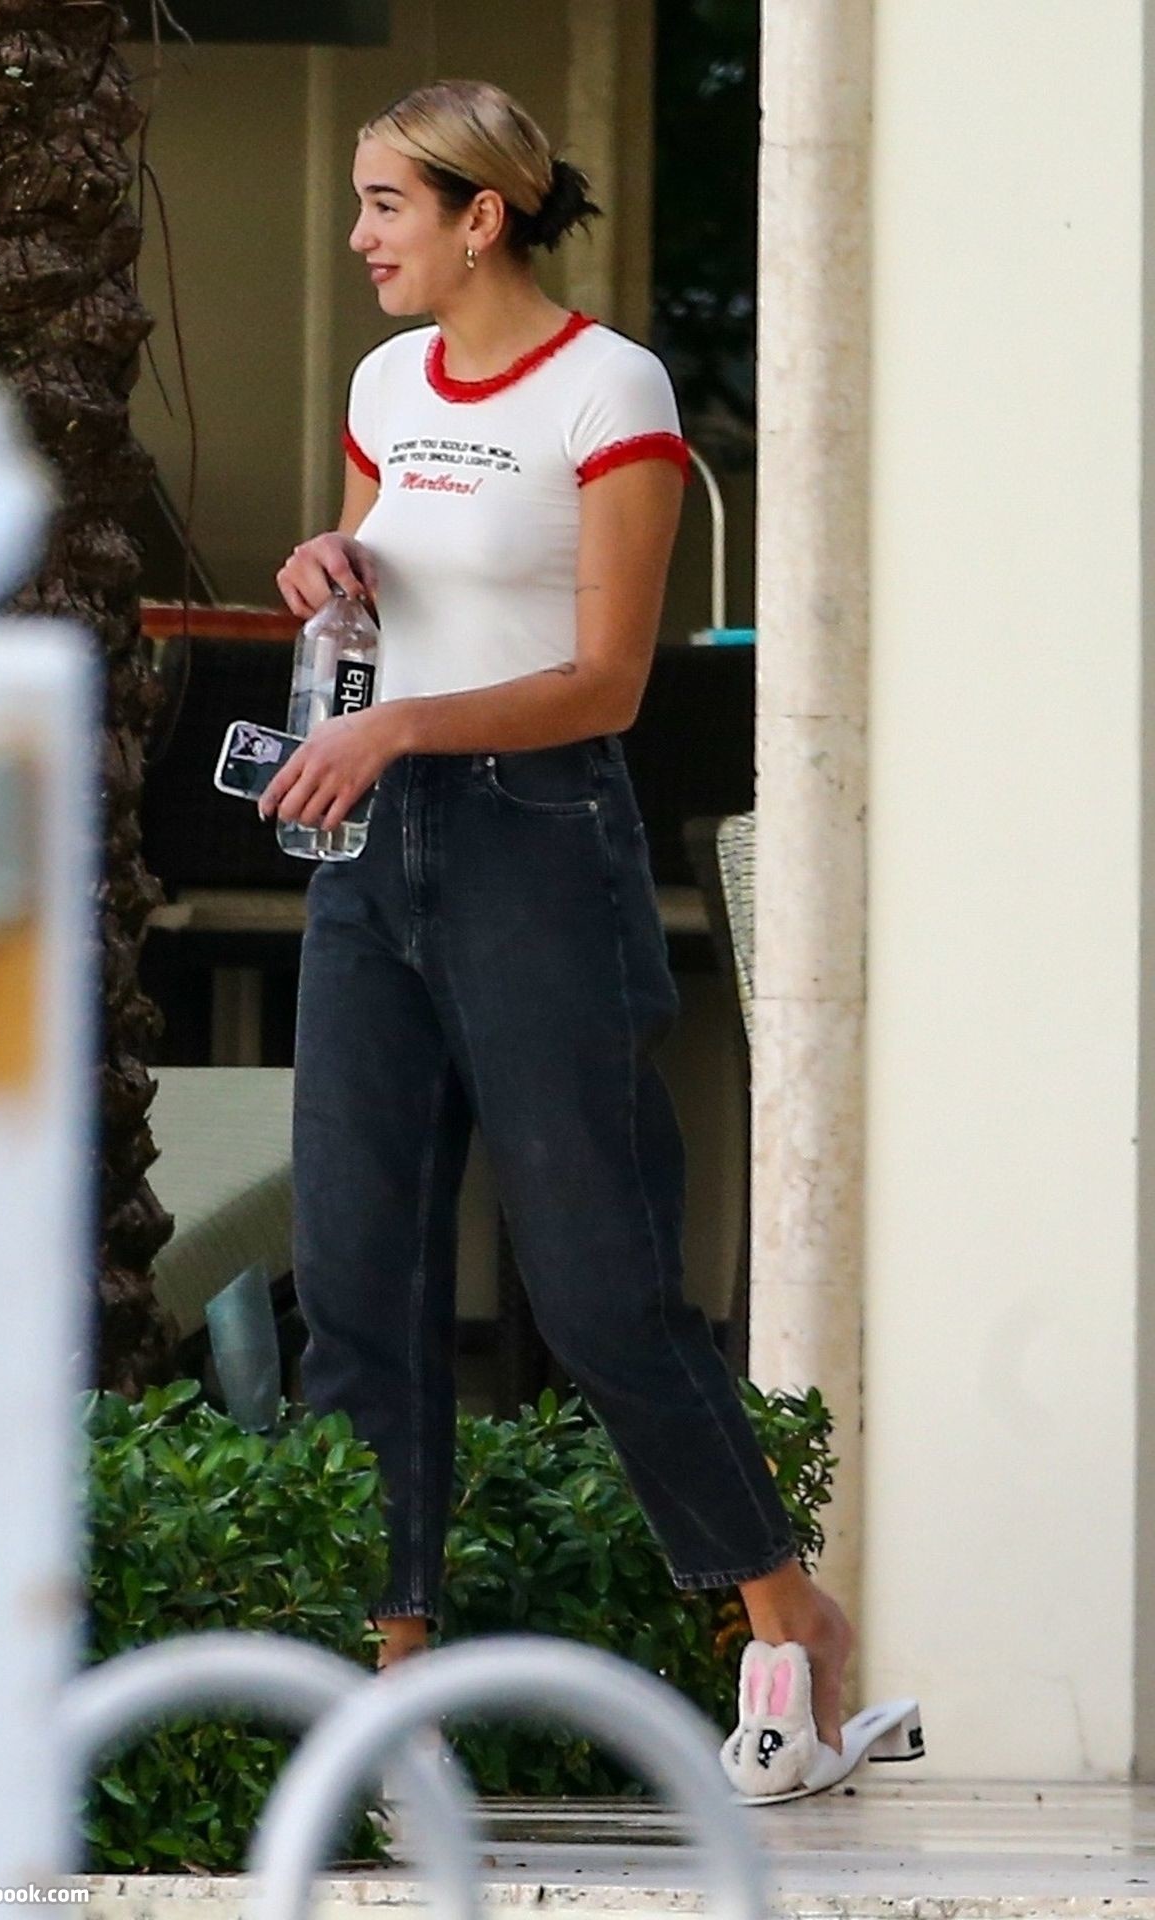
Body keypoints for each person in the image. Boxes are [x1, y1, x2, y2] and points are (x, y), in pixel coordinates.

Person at [260, 78, 853, 1764]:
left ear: (481, 217)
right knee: (359, 1276)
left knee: (600, 1285)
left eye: (386, 205)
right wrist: (327, 572)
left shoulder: (611, 387)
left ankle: (786, 1619)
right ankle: (390, 1693)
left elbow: (606, 678)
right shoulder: (386, 384)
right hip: (371, 851)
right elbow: (386, 589)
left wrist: (400, 726)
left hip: (537, 842)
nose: (359, 236)